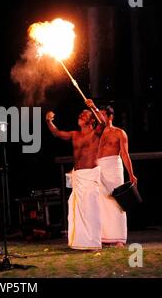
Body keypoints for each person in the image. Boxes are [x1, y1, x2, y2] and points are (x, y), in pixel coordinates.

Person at [46, 100, 105, 250]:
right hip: (78, 176)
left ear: (91, 120)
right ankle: (80, 242)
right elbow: (56, 133)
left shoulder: (95, 133)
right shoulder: (74, 135)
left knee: (91, 209)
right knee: (76, 209)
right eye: (80, 114)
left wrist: (93, 107)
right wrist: (48, 121)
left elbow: (103, 123)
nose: (80, 116)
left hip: (90, 175)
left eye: (84, 115)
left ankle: (93, 242)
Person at [97, 105, 137, 248]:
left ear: (110, 116)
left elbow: (125, 155)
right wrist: (91, 106)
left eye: (102, 115)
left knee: (116, 202)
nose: (100, 117)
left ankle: (119, 238)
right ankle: (104, 237)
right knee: (100, 203)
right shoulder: (97, 133)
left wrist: (131, 174)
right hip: (99, 167)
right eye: (98, 114)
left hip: (113, 166)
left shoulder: (119, 133)